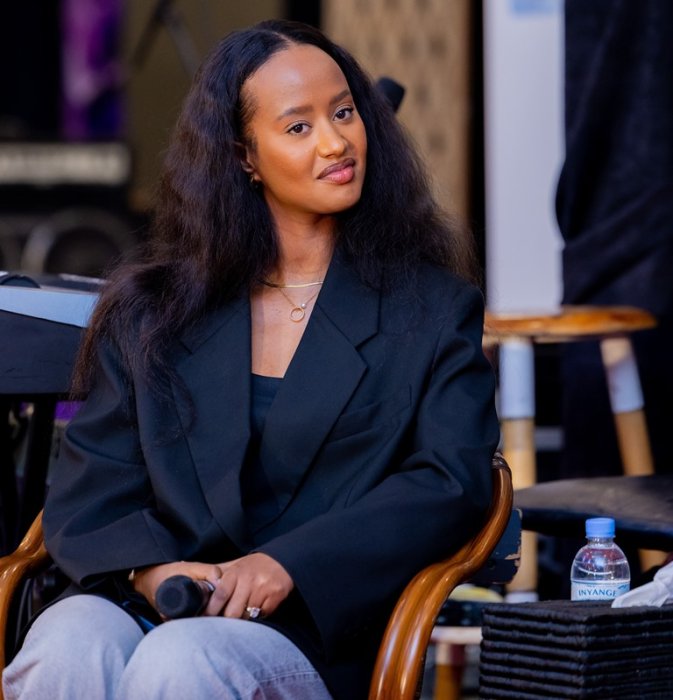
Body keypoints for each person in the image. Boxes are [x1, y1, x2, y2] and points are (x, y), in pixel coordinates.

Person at [2, 19, 499, 700]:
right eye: (298, 126)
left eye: (344, 112)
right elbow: (94, 487)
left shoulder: (431, 308)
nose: (335, 142)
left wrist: (288, 564)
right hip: (152, 599)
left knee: (181, 661)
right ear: (245, 157)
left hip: (313, 629)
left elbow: (450, 482)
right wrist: (153, 572)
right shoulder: (154, 309)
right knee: (64, 644)